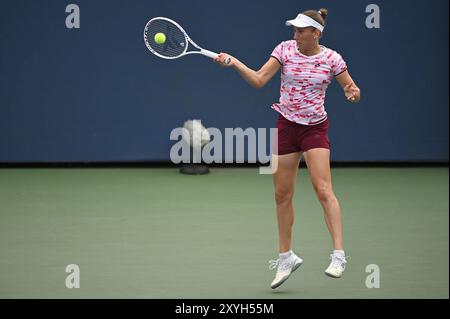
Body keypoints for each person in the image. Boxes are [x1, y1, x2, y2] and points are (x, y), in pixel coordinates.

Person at [214, 8, 361, 289]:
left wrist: (352, 93)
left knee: (323, 189)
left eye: (300, 31)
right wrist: (234, 63)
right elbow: (258, 80)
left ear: (315, 34)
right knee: (282, 194)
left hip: (315, 129)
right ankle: (285, 257)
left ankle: (339, 255)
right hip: (286, 127)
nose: (294, 35)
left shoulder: (332, 59)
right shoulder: (284, 50)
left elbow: (352, 88)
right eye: (294, 30)